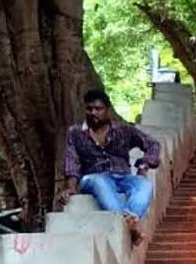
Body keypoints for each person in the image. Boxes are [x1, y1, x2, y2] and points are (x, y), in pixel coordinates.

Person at [60, 88, 161, 245]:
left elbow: (153, 144)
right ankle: (129, 224)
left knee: (144, 185)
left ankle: (128, 220)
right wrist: (71, 186)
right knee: (101, 182)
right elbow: (71, 160)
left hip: (123, 176)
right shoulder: (75, 132)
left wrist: (144, 165)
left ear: (107, 110)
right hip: (93, 177)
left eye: (98, 109)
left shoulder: (123, 130)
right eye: (89, 109)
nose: (93, 113)